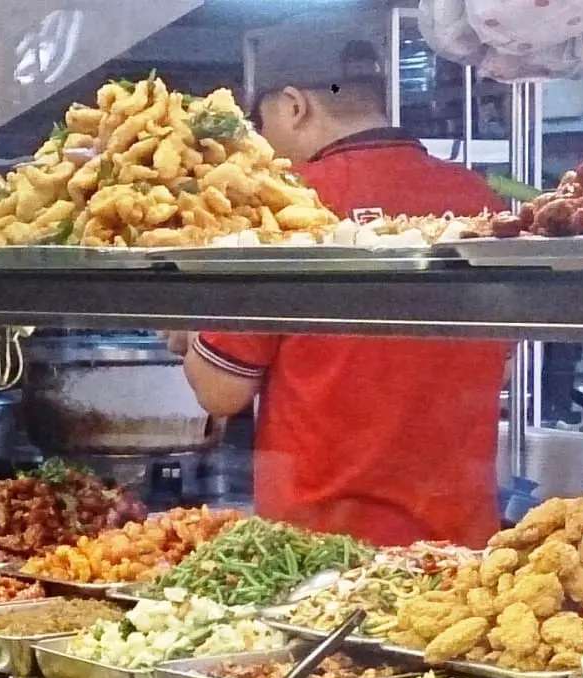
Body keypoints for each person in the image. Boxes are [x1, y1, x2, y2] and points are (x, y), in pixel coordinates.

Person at [179, 47, 509, 547]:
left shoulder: (286, 207)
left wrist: (183, 326)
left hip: (320, 550)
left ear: (294, 105)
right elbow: (498, 361)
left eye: (261, 122)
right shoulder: (481, 201)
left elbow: (220, 393)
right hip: (458, 544)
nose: (264, 143)